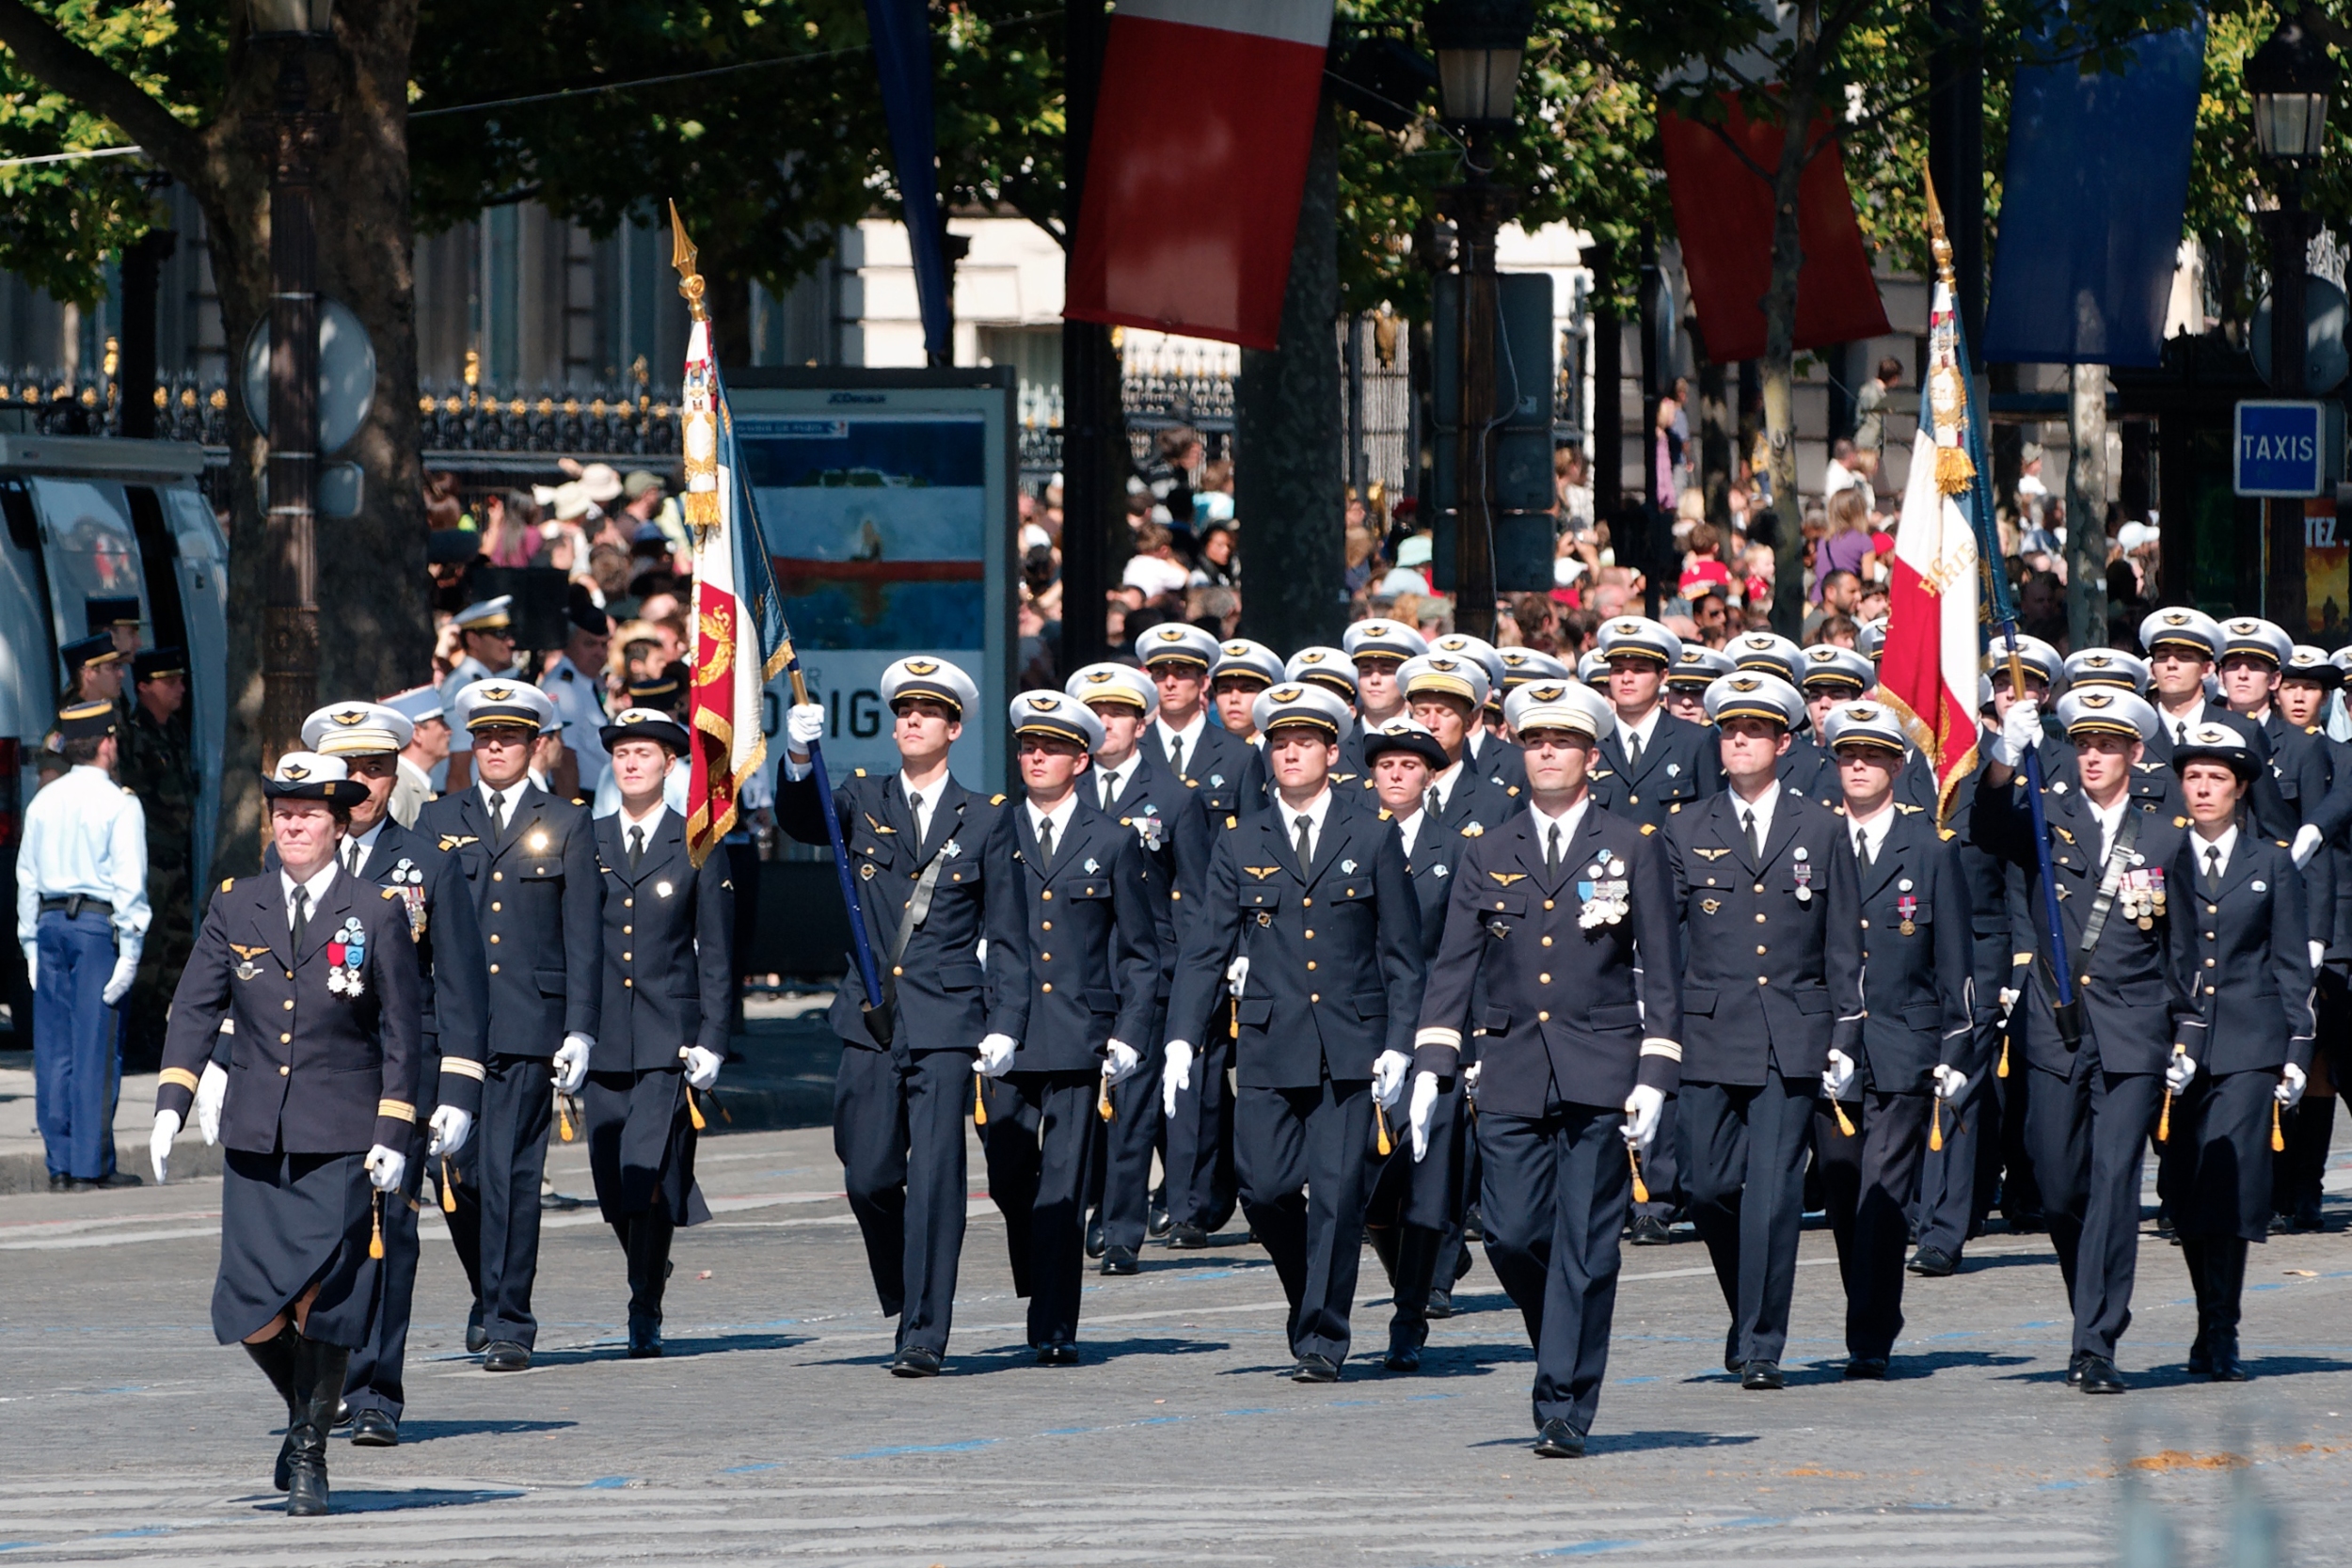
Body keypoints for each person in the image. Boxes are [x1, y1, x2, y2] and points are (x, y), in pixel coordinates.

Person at [149, 752, 437, 1516]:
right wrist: (174, 1098)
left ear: (339, 825)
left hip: (341, 1133)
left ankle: (309, 1451)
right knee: (248, 1305)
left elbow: (404, 1032)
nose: (293, 824)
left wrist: (393, 1127)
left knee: (328, 1300)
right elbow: (195, 1006)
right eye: (282, 812)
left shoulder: (376, 910)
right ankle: (306, 1410)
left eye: (309, 813)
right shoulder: (237, 904)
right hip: (255, 1133)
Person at [1410, 678, 1679, 1454]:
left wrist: (1656, 1073)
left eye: (1562, 741)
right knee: (1513, 1234)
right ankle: (1553, 1335)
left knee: (1588, 1246)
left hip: (1601, 1066)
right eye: (1534, 741)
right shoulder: (1488, 851)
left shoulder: (1631, 844)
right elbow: (1453, 964)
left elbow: (1661, 968)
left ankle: (1564, 1401)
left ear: (1592, 755)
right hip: (1513, 1067)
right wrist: (1433, 1061)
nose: (1548, 753)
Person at [1161, 682, 1422, 1382]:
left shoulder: (1371, 833)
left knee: (1337, 1198)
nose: (1291, 754)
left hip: (1351, 1048)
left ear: (1332, 752)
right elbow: (1206, 946)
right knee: (1265, 1190)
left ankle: (1321, 1336)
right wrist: (1182, 1034)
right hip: (1274, 1044)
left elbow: (1401, 953)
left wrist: (1402, 1043)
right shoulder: (1241, 840)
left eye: (1305, 743)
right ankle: (1310, 1289)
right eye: (1280, 744)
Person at [776, 657, 1026, 1376]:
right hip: (869, 1016)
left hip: (949, 1018)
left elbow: (1007, 931)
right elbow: (800, 818)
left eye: (926, 712)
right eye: (902, 711)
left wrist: (1003, 1020)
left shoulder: (985, 818)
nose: (910, 720)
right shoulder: (861, 797)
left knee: (939, 1180)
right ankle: (902, 1288)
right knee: (869, 1176)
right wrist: (797, 757)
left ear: (953, 728)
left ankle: (925, 1330)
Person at [248, 702, 489, 1447]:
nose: (366, 783)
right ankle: (322, 1379)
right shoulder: (286, 861)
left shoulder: (428, 863)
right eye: (352, 769)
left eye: (379, 768)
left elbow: (458, 982)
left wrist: (459, 1086)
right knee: (314, 1233)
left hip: (397, 1067)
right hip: (314, 1072)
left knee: (389, 1228)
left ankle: (378, 1389)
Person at [1975, 685, 2191, 1393]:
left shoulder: (2166, 836)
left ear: (2135, 752)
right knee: (2062, 1184)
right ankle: (2089, 1302)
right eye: (2082, 743)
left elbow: (2185, 947)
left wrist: (2185, 1030)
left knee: (2115, 1184)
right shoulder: (2048, 815)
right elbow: (1986, 828)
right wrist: (2005, 760)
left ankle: (2095, 1340)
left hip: (2133, 1028)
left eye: (2107, 745)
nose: (2092, 755)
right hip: (2054, 1022)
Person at [1670, 673, 1863, 1389]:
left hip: (1793, 1030)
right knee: (1711, 1188)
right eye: (1729, 730)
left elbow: (1843, 943)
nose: (1739, 740)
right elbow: (1667, 945)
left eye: (1754, 730)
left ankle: (1761, 1344)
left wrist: (1846, 1034)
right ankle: (1743, 1304)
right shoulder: (1688, 828)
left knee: (1775, 1193)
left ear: (1785, 741)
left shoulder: (1821, 827)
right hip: (1710, 1031)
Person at [419, 680, 602, 1374]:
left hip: (531, 1022)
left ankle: (510, 1318)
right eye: (485, 735)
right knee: (460, 1175)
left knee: (514, 1173)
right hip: (453, 1029)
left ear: (534, 745)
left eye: (511, 736)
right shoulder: (439, 819)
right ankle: (484, 1288)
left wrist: (580, 1028)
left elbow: (583, 935)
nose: (496, 746)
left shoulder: (566, 821)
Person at [980, 692, 1159, 1362]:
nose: (1035, 757)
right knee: (1006, 1173)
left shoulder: (1112, 840)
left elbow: (1141, 950)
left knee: (1062, 1187)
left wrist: (1132, 1031)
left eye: (1051, 748)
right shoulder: (996, 831)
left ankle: (1054, 1325)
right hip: (1009, 1032)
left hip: (1082, 1033)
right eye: (1028, 746)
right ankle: (1040, 1272)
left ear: (1080, 760)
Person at [1813, 700, 1977, 1378]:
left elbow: (1955, 961)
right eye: (1848, 755)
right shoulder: (1813, 840)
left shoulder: (1930, 848)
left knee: (1882, 1191)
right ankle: (1871, 1304)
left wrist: (1958, 1050)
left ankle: (1870, 1332)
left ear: (1898, 765)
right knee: (1843, 1187)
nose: (1859, 765)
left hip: (1903, 1045)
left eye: (1873, 755)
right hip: (1827, 1046)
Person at [571, 707, 733, 1358]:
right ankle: (648, 1261)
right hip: (606, 1033)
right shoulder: (591, 839)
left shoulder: (697, 841)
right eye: (622, 753)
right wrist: (574, 1031)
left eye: (645, 753)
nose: (631, 763)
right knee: (612, 1185)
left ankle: (644, 1301)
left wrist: (714, 1038)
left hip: (670, 1036)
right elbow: (580, 943)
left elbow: (717, 952)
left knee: (647, 1173)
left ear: (670, 764)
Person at [2157, 722, 2314, 1382]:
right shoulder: (2160, 856)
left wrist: (2298, 1049)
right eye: (2193, 776)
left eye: (2217, 777)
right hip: (2174, 1040)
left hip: (2251, 1041)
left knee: (2231, 1180)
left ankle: (2222, 1329)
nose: (2202, 787)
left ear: (2241, 787)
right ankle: (2205, 1316)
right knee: (2186, 1183)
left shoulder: (2270, 861)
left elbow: (2289, 962)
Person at [1589, 616, 1724, 1244]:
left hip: (1673, 919)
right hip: (1599, 918)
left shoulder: (1695, 743)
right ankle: (1610, 1188)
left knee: (1663, 1051)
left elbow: (1707, 827)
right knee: (1607, 1055)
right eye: (1618, 667)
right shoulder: (1587, 740)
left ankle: (1658, 1193)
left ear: (1663, 678)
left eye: (1639, 668)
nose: (1626, 676)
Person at [1067, 661, 1204, 1274]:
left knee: (1132, 1104)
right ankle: (1090, 1205)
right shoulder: (1065, 788)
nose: (1105, 724)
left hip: (1150, 966)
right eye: (1095, 713)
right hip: (1078, 968)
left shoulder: (1174, 797)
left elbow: (1197, 892)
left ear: (1142, 722)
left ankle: (1123, 1229)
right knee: (1077, 1099)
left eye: (1117, 713)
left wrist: (1203, 971)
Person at [1356, 716, 1469, 1369]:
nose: (1395, 774)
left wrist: (1467, 1043)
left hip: (1434, 1031)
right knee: (1371, 1187)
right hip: (1362, 1028)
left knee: (1424, 1179)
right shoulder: (1353, 839)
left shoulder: (1455, 850)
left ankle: (1409, 1311)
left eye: (1409, 765)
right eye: (1385, 765)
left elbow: (1463, 954)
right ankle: (1416, 1273)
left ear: (1430, 775)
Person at [18, 701, 149, 1190]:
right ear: (107, 744)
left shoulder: (43, 801)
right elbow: (130, 884)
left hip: (49, 924)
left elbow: (26, 876)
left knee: (53, 1048)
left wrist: (29, 941)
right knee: (96, 1045)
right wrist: (132, 949)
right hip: (96, 928)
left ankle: (60, 1163)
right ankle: (91, 1164)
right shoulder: (120, 803)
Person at [119, 647, 197, 1067]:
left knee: (178, 946)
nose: (180, 689)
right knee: (148, 951)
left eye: (180, 680)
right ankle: (137, 1032)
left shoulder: (174, 732)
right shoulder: (133, 734)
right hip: (148, 861)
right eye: (170, 682)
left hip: (175, 858)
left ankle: (155, 1025)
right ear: (144, 687)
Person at [441, 596, 520, 792]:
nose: (510, 642)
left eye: (509, 633)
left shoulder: (484, 682)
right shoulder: (463, 686)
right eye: (500, 634)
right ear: (473, 639)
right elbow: (459, 768)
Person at [542, 600, 615, 797]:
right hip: (577, 796)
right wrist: (572, 815)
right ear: (568, 643)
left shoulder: (588, 682)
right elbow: (564, 759)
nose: (599, 653)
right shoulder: (563, 688)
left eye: (604, 644)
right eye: (590, 644)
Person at [383, 687, 448, 822]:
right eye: (441, 723)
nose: (449, 731)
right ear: (417, 733)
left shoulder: (414, 782)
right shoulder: (397, 789)